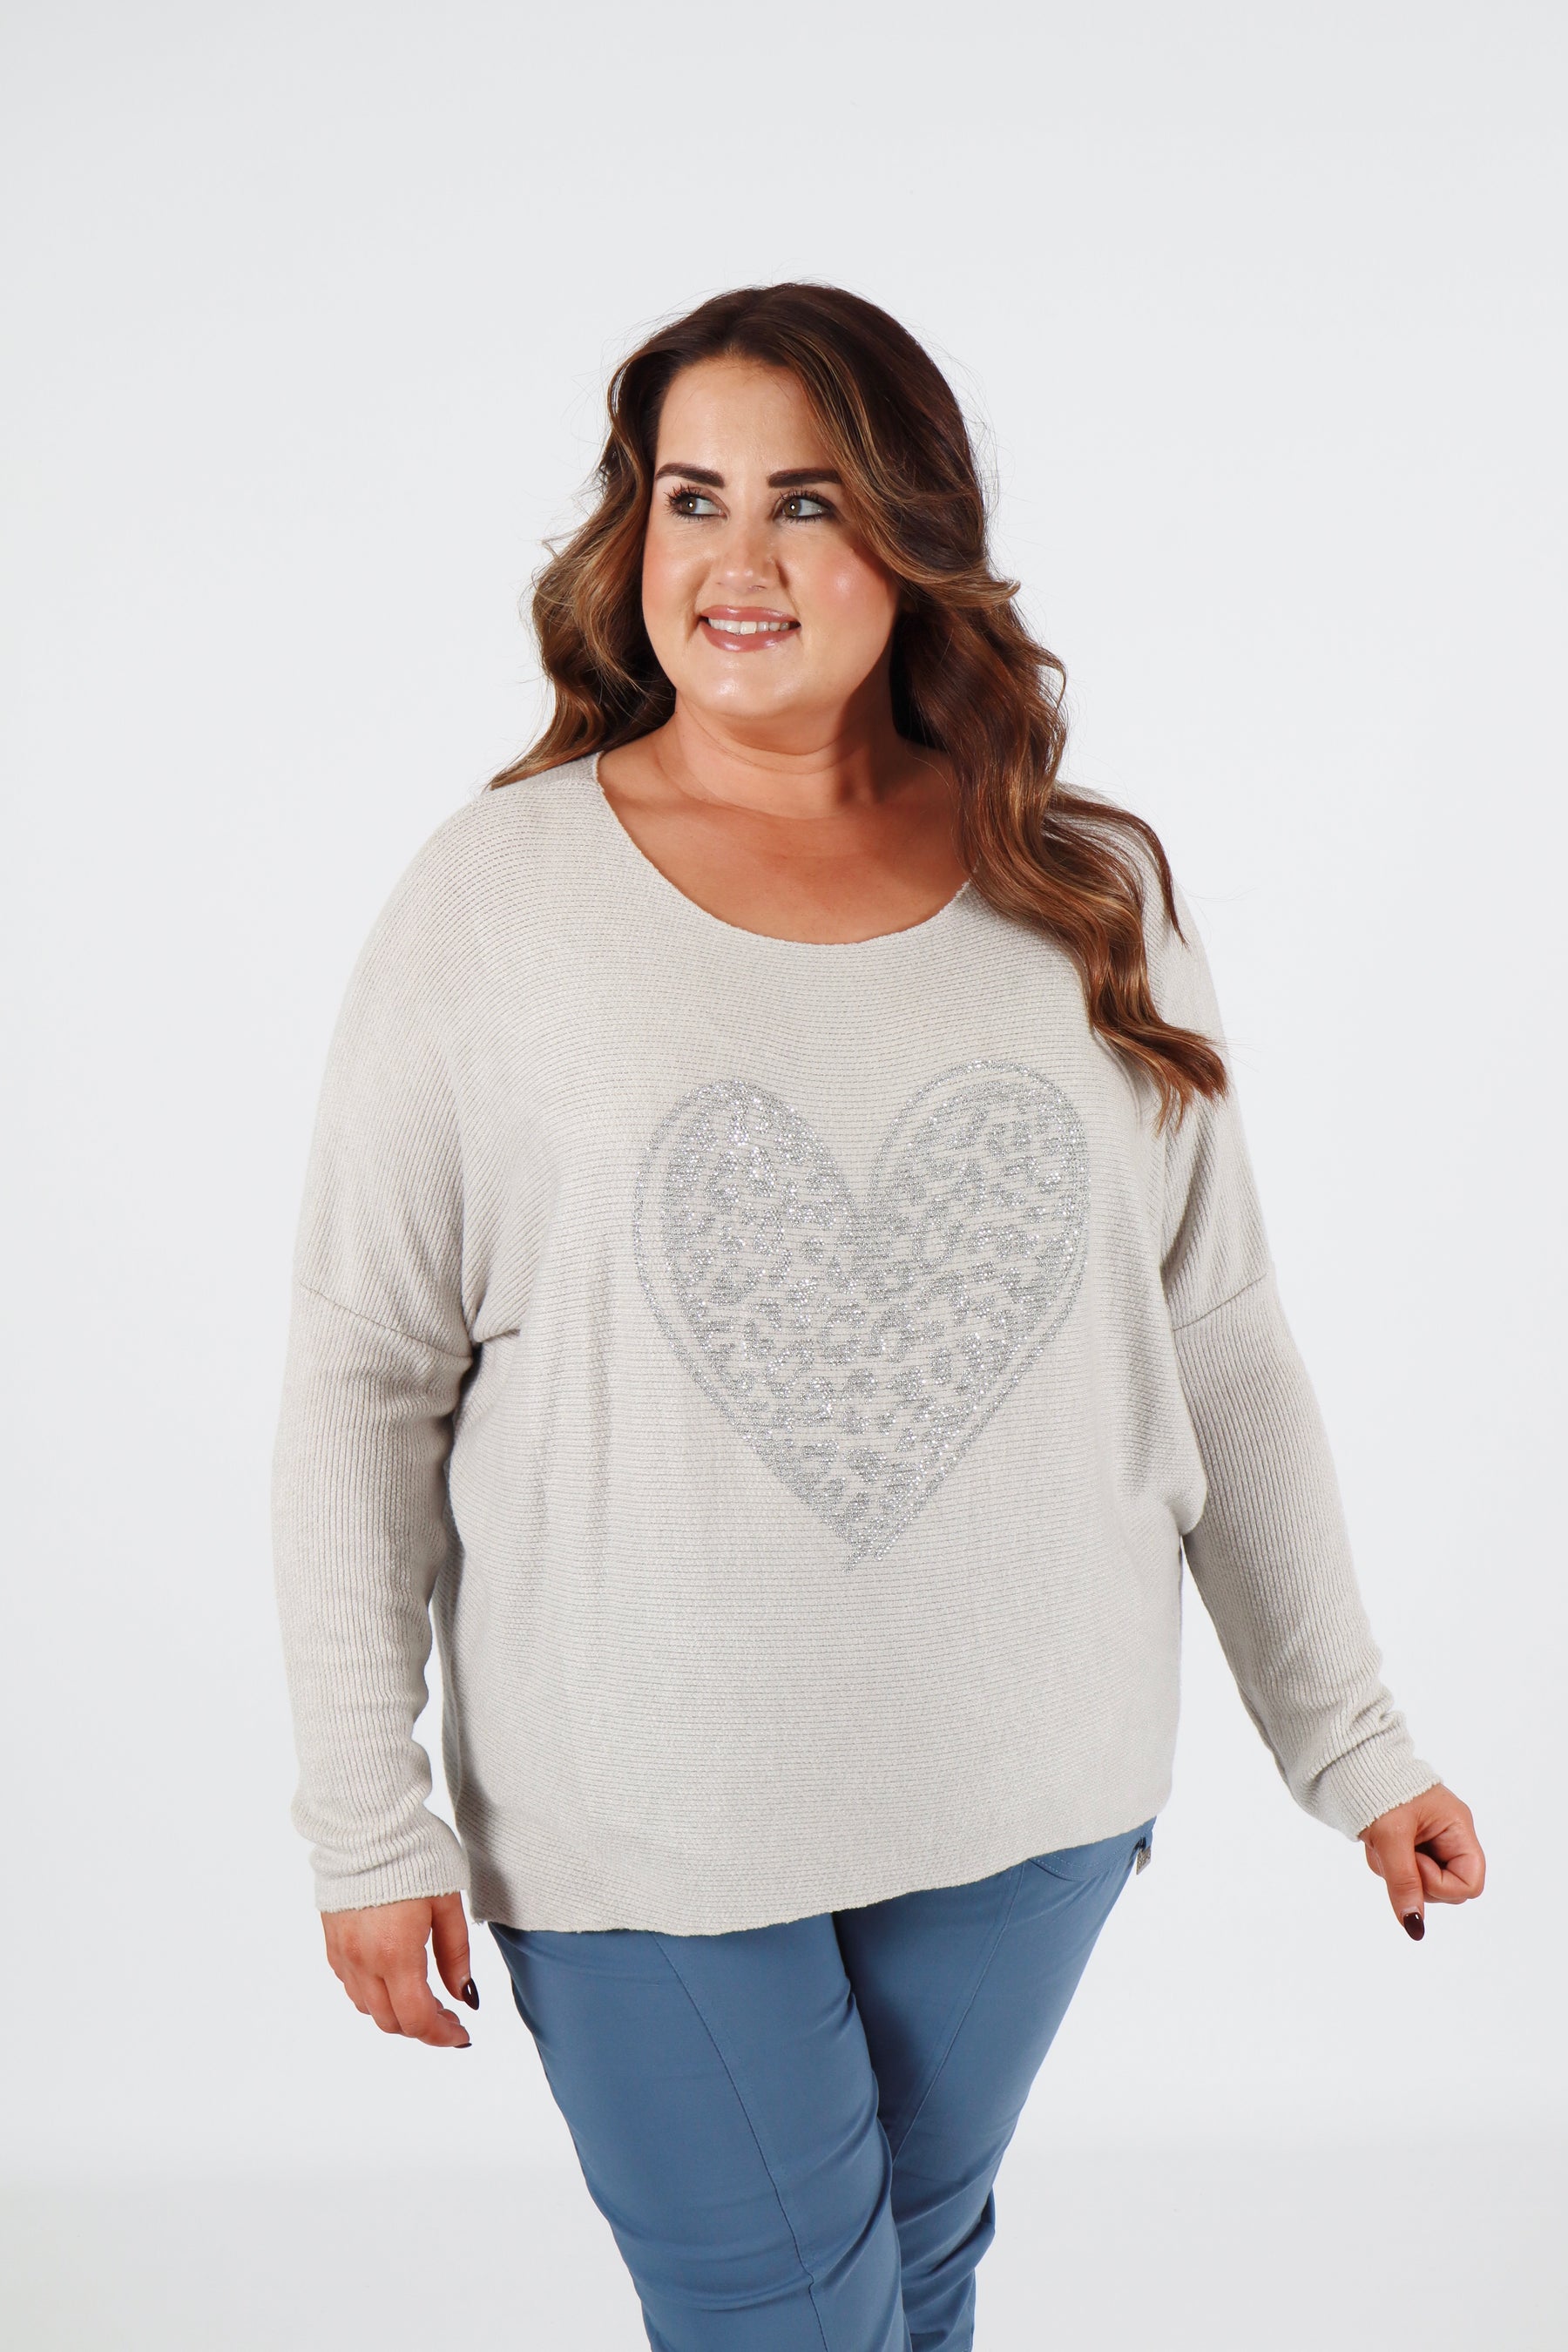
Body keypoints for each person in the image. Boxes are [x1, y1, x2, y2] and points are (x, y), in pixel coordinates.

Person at [271, 282, 1485, 2351]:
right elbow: (361, 1380)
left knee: (909, 2296)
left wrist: (1353, 1741)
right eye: (692, 499)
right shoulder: (492, 901)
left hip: (1034, 1797)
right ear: (630, 538)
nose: (737, 559)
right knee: (791, 2318)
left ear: (911, 539)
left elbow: (1220, 1345)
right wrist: (362, 1817)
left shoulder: (1085, 888)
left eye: (808, 500)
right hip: (644, 1815)